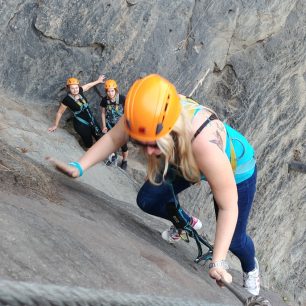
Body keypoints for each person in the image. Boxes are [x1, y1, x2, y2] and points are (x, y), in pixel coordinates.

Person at [48, 74, 260, 295]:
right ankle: (185, 222)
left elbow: (228, 206)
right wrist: (79, 167)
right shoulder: (144, 115)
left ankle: (251, 268)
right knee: (148, 200)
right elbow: (114, 138)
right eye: (142, 143)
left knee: (234, 241)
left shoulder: (203, 143)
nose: (148, 152)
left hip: (235, 169)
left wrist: (218, 262)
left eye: (152, 143)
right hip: (180, 154)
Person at [48, 75, 105, 149]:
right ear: (69, 89)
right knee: (89, 143)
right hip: (81, 124)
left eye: (76, 87)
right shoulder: (67, 100)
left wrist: (98, 81)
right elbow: (60, 112)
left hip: (91, 119)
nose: (75, 90)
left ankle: (108, 155)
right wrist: (55, 125)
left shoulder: (80, 91)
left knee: (99, 136)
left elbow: (87, 86)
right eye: (72, 88)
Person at [100, 79, 128, 170]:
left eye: (112, 90)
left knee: (123, 145)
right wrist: (104, 126)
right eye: (108, 91)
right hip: (110, 124)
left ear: (115, 90)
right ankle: (113, 157)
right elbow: (103, 113)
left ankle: (124, 161)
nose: (110, 93)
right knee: (111, 142)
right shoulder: (104, 100)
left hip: (121, 125)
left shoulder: (122, 98)